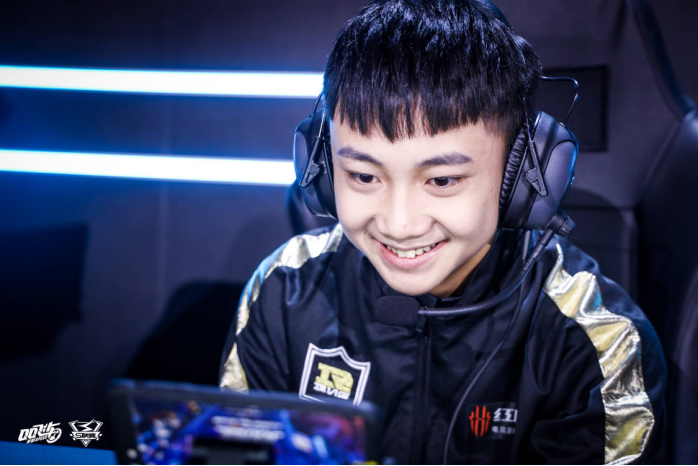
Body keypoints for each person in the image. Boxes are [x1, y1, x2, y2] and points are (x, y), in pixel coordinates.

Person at [219, 0, 666, 463]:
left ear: (521, 180)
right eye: (364, 176)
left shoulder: (595, 343)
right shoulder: (282, 293)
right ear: (323, 170)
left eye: (442, 181)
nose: (398, 224)